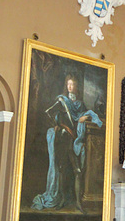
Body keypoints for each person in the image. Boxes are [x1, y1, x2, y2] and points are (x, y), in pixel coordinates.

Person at [32, 74, 102, 212]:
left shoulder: (80, 104)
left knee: (77, 171)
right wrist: (59, 125)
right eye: (68, 84)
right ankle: (62, 199)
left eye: (73, 84)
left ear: (76, 87)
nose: (70, 87)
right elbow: (48, 113)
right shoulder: (61, 100)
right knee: (62, 169)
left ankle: (78, 202)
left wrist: (84, 117)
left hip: (75, 140)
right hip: (64, 139)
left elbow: (81, 117)